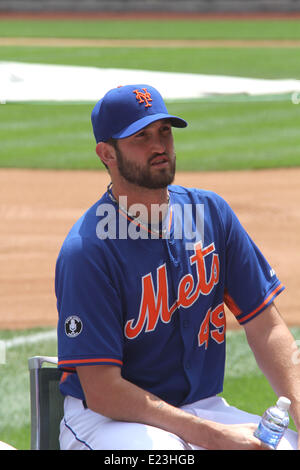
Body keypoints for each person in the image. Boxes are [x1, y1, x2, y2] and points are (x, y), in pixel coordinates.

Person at [56, 84, 300, 450]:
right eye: (141, 136)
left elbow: (266, 326)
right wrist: (210, 436)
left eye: (164, 131)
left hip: (202, 409)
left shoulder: (211, 214)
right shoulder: (88, 250)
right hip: (109, 421)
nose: (159, 146)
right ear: (107, 153)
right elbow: (103, 391)